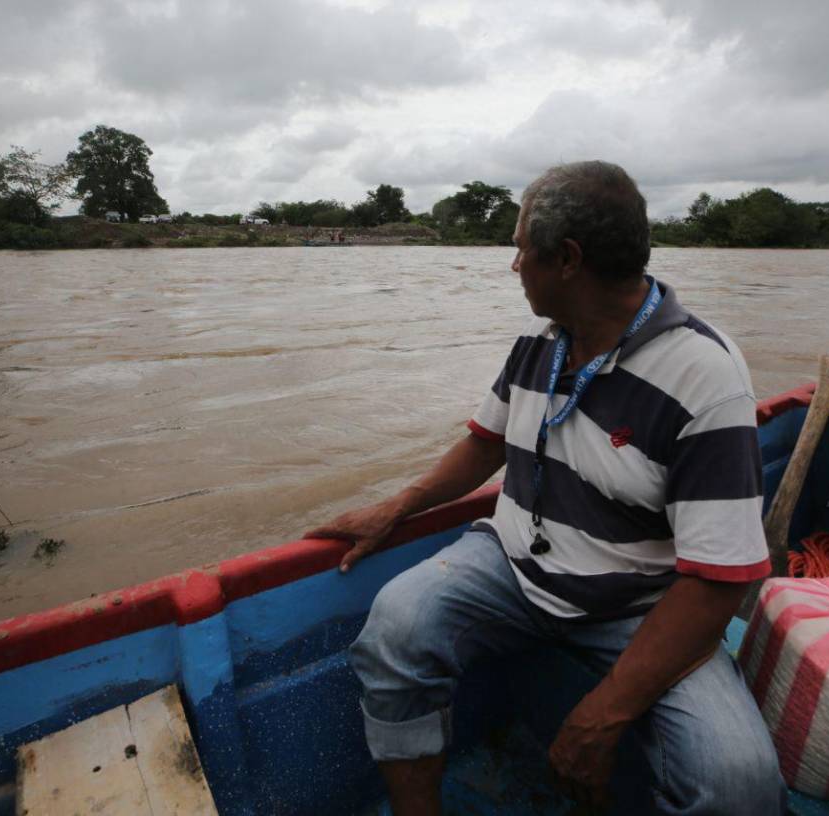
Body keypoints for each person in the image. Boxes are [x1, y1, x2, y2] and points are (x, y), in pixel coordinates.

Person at [305, 160, 784, 814]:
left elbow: (719, 581)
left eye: (520, 249)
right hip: (513, 566)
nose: (513, 267)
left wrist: (604, 713)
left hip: (639, 603)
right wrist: (396, 507)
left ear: (566, 259)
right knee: (396, 628)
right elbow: (486, 443)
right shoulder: (540, 341)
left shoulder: (705, 377)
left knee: (737, 783)